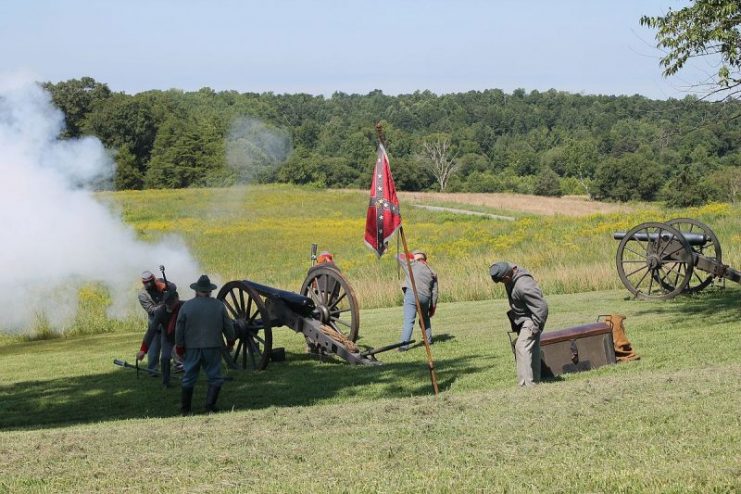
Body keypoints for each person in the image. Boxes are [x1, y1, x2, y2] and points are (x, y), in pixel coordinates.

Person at [175, 275, 235, 415]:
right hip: (213, 346)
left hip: (192, 347)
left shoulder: (186, 306)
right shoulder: (219, 306)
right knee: (214, 376)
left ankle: (186, 410)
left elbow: (179, 328)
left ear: (196, 290)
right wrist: (230, 341)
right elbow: (228, 326)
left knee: (189, 377)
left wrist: (179, 346)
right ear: (210, 290)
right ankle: (209, 407)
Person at [490, 261, 549, 387]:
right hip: (525, 317)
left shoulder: (523, 285)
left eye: (501, 281)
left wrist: (536, 326)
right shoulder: (508, 269)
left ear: (506, 277)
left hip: (533, 317)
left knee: (521, 347)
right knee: (532, 349)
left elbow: (541, 306)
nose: (502, 283)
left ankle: (527, 385)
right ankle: (534, 383)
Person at [137, 289, 183, 388]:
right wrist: (143, 350)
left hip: (185, 337)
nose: (169, 305)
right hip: (168, 338)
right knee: (165, 358)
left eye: (171, 302)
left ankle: (190, 378)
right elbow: (151, 331)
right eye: (167, 303)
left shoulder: (185, 307)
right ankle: (166, 383)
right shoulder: (160, 311)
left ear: (177, 299)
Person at [398, 250, 438, 350]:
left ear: (415, 258)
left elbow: (399, 256)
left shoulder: (412, 264)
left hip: (411, 294)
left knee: (409, 321)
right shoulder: (432, 271)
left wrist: (410, 256)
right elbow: (435, 292)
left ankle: (404, 346)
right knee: (425, 319)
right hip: (425, 297)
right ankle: (428, 341)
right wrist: (432, 308)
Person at [137, 270, 170, 375]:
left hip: (166, 322)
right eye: (146, 282)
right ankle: (152, 370)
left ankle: (178, 365)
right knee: (153, 351)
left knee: (170, 347)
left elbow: (173, 288)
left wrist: (166, 287)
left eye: (150, 281)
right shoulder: (142, 294)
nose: (148, 284)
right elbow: (151, 310)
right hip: (154, 324)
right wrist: (165, 304)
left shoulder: (160, 283)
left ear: (153, 279)